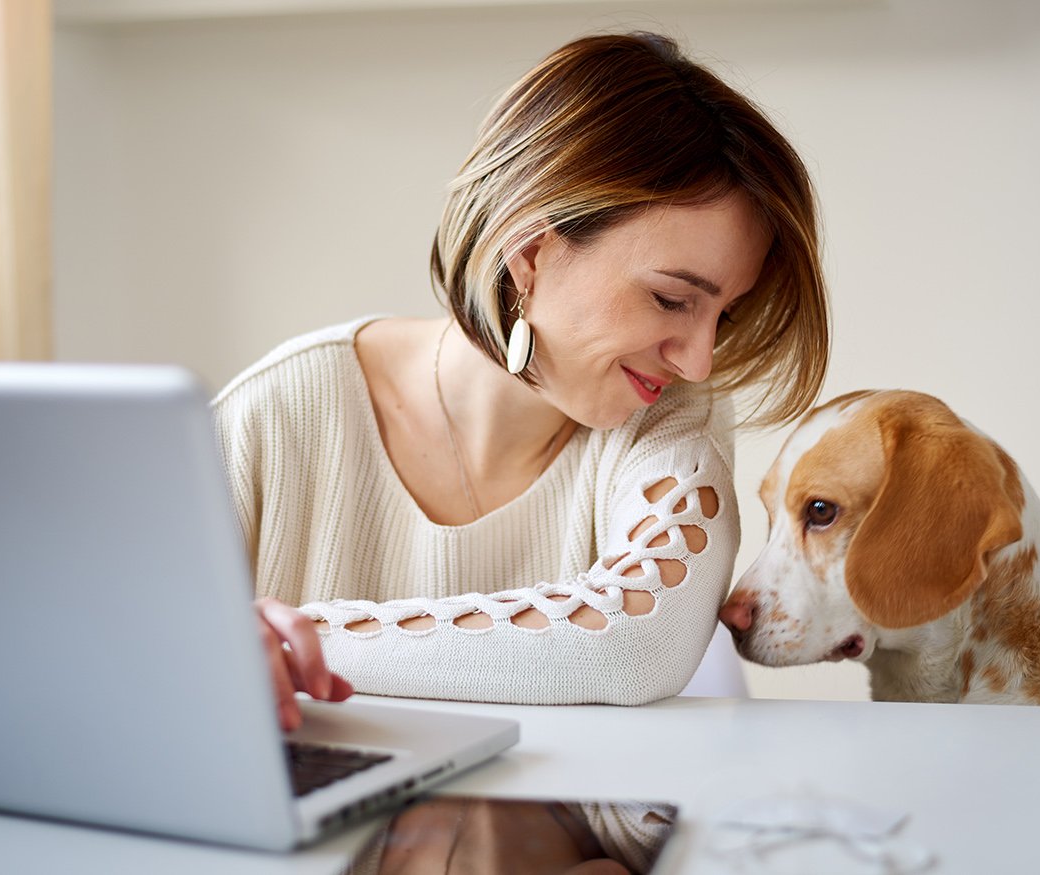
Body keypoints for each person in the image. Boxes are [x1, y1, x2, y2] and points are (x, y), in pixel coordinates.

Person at [214, 32, 828, 735]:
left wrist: (289, 641)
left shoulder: (667, 422)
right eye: (670, 298)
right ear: (531, 254)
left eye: (724, 313)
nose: (697, 362)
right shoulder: (269, 418)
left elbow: (635, 645)